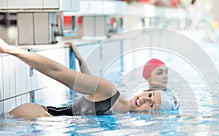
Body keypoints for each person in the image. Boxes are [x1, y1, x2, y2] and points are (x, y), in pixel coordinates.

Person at [0, 38, 179, 119]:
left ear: (152, 115)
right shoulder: (109, 91)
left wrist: (80, 59)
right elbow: (58, 71)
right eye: (150, 95)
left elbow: (89, 80)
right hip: (37, 114)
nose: (145, 100)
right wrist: (11, 50)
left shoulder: (121, 119)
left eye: (152, 104)